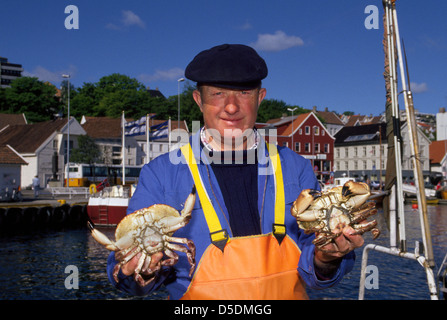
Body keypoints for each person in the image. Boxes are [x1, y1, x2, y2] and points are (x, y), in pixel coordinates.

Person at [106, 44, 365, 299]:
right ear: (199, 100)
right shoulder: (160, 174)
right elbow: (126, 275)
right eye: (218, 94)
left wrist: (326, 259)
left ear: (260, 97)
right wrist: (139, 271)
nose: (231, 107)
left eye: (243, 92)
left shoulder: (295, 167)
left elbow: (316, 261)